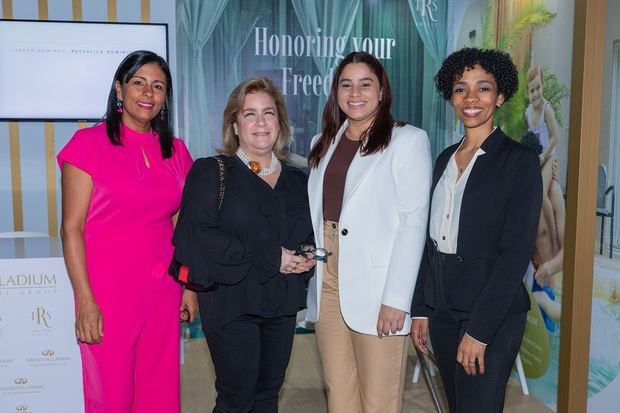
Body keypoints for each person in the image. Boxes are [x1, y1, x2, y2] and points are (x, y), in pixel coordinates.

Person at [58, 50, 197, 413]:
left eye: (158, 86)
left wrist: (187, 286)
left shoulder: (178, 152)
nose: (148, 93)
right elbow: (70, 229)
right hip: (108, 294)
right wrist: (86, 302)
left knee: (160, 394)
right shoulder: (87, 146)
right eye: (138, 82)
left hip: (163, 291)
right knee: (112, 398)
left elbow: (183, 228)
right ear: (119, 90)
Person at [171, 76, 315, 413]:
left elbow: (306, 234)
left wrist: (306, 255)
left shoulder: (299, 180)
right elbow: (198, 236)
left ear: (280, 122)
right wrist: (271, 256)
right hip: (232, 305)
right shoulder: (212, 172)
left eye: (268, 113)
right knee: (237, 400)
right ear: (235, 125)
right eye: (249, 114)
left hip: (280, 306)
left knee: (267, 397)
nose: (260, 123)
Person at [411, 48, 542, 413]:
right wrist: (421, 308)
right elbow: (429, 241)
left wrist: (480, 331)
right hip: (442, 309)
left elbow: (515, 254)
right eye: (460, 89)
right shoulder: (444, 158)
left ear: (500, 97)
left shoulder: (520, 162)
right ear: (450, 97)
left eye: (483, 88)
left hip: (491, 314)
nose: (470, 98)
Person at [306, 51, 432, 412]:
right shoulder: (321, 143)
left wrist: (397, 298)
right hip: (328, 281)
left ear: (381, 92)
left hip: (379, 289)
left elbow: (413, 222)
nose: (355, 92)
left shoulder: (407, 140)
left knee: (378, 400)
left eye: (365, 84)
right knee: (339, 393)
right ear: (336, 92)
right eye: (346, 84)